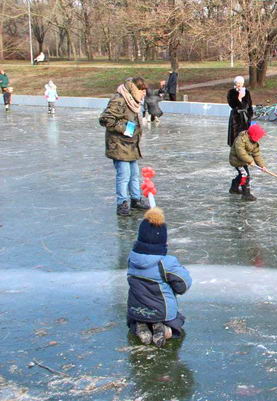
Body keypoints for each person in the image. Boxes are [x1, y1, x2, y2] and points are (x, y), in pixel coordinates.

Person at [127, 207, 192, 347]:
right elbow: (183, 285)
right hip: (161, 311)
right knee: (177, 320)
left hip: (136, 310)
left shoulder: (131, 259)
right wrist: (182, 270)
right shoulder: (166, 263)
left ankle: (141, 326)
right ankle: (164, 328)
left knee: (140, 313)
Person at [99, 77, 151, 216]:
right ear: (134, 89)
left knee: (134, 174)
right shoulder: (120, 100)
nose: (144, 93)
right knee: (124, 175)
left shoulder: (133, 101)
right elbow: (105, 119)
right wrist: (125, 129)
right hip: (119, 144)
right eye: (141, 90)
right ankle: (122, 203)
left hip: (131, 144)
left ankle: (135, 199)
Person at [229, 123, 268, 201]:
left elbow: (256, 154)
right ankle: (246, 194)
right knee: (245, 176)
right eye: (258, 137)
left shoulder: (254, 143)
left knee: (242, 174)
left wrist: (262, 166)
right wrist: (250, 160)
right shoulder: (241, 140)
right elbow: (241, 153)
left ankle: (234, 188)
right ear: (253, 135)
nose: (259, 139)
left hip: (243, 161)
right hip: (237, 161)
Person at [227, 76, 253, 146]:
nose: (239, 85)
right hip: (235, 116)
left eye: (241, 83)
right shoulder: (231, 92)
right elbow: (232, 105)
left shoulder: (246, 92)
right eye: (238, 83)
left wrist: (250, 115)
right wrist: (239, 98)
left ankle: (244, 150)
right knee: (235, 135)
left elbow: (249, 104)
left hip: (245, 116)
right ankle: (234, 149)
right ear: (235, 83)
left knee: (244, 135)